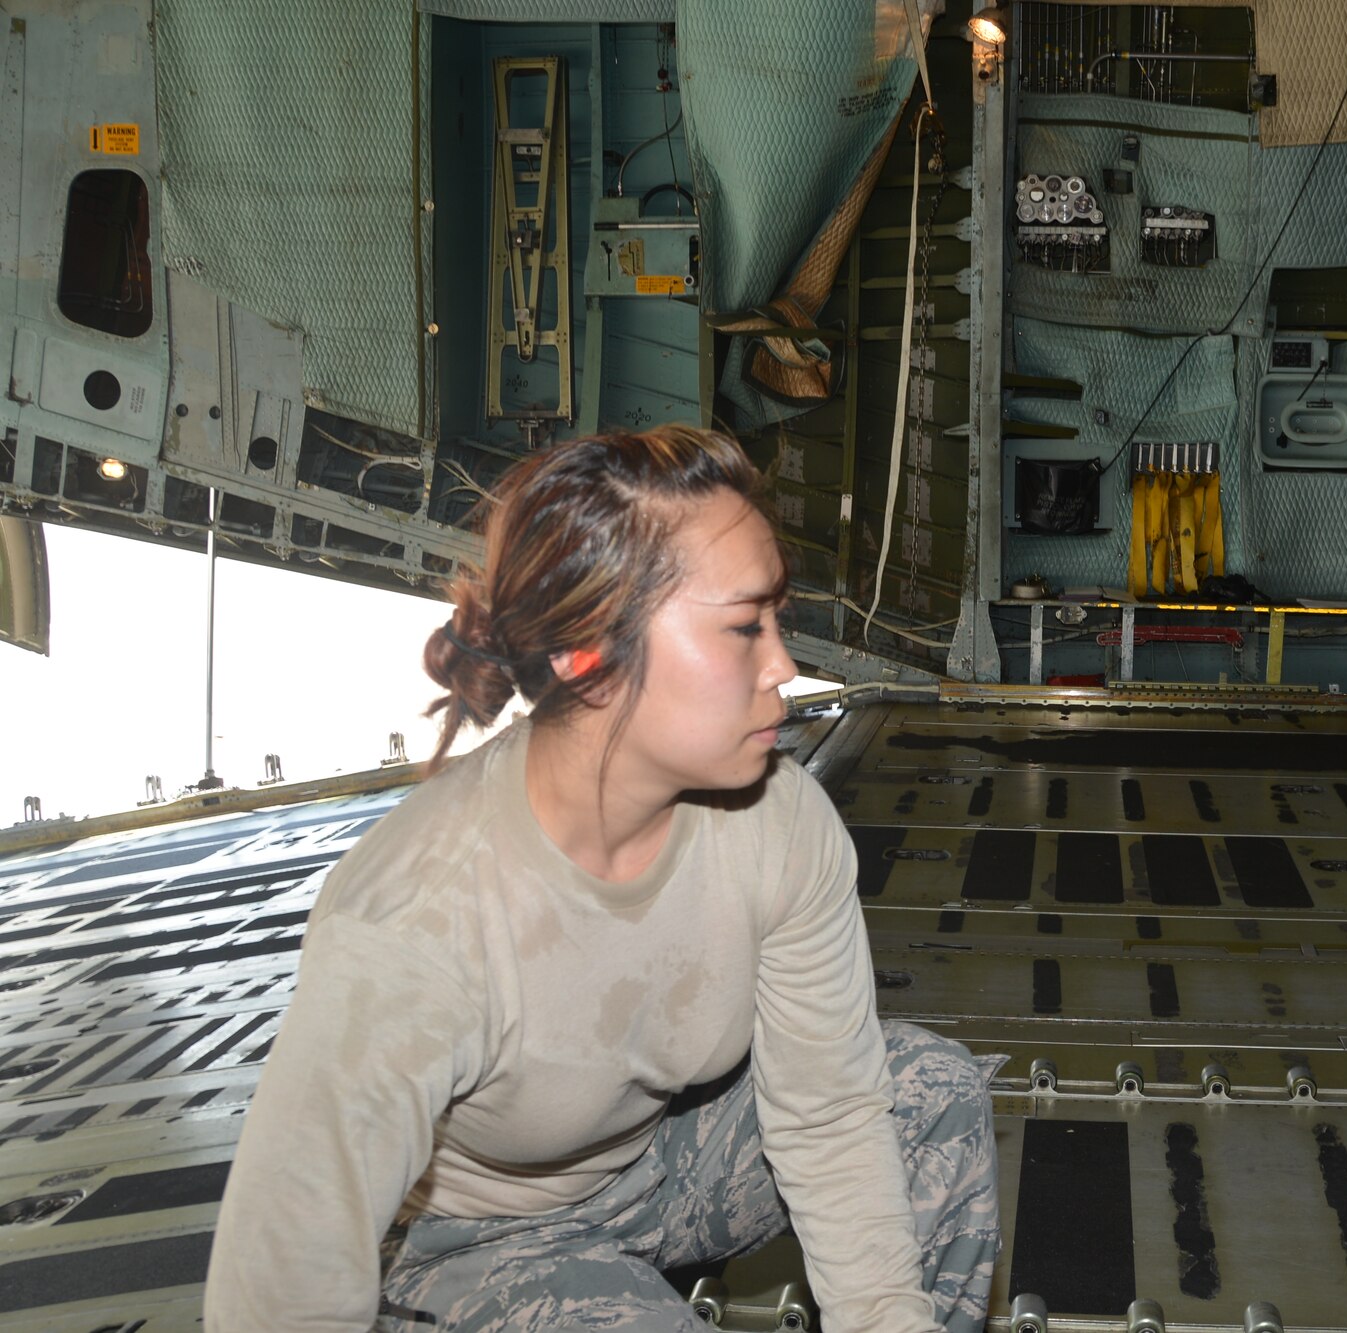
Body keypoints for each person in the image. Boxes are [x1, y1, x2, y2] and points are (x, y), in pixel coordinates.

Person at [205, 427, 1000, 1332]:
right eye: (745, 626)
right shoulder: (419, 918)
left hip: (658, 1168)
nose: (782, 666)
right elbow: (281, 1294)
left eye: (776, 621)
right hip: (474, 1242)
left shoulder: (780, 823)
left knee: (931, 1092)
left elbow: (827, 1114)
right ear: (589, 650)